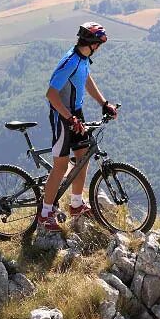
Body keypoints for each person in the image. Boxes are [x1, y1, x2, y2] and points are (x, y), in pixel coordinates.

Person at [37, 22, 118, 232]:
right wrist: (69, 117)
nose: (99, 48)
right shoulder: (70, 61)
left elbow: (86, 80)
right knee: (61, 166)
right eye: (99, 44)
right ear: (91, 44)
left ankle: (76, 204)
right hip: (62, 116)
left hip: (75, 114)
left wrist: (104, 103)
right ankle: (45, 213)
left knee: (83, 159)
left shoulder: (82, 60)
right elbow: (51, 94)